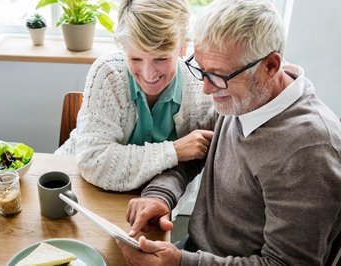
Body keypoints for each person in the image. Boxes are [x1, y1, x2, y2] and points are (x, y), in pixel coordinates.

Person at [117, 0, 341, 265]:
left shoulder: (310, 152)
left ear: (270, 66)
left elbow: (285, 264)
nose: (206, 90)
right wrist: (160, 195)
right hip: (194, 250)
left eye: (218, 76)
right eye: (201, 69)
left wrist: (181, 263)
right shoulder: (245, 95)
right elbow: (193, 153)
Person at [55, 0, 213, 216]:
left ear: (183, 47)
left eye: (161, 58)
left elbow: (191, 168)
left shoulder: (201, 88)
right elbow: (93, 161)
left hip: (154, 200)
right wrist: (173, 151)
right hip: (80, 189)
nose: (148, 75)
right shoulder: (108, 72)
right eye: (135, 58)